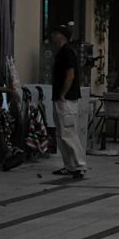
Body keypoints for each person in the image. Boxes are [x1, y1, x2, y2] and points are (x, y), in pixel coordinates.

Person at [49, 26, 88, 179]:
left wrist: (63, 94)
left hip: (66, 100)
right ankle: (69, 165)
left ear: (63, 36)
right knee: (61, 134)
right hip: (60, 98)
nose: (53, 35)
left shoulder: (67, 52)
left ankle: (79, 165)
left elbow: (70, 75)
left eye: (56, 33)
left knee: (69, 133)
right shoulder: (61, 52)